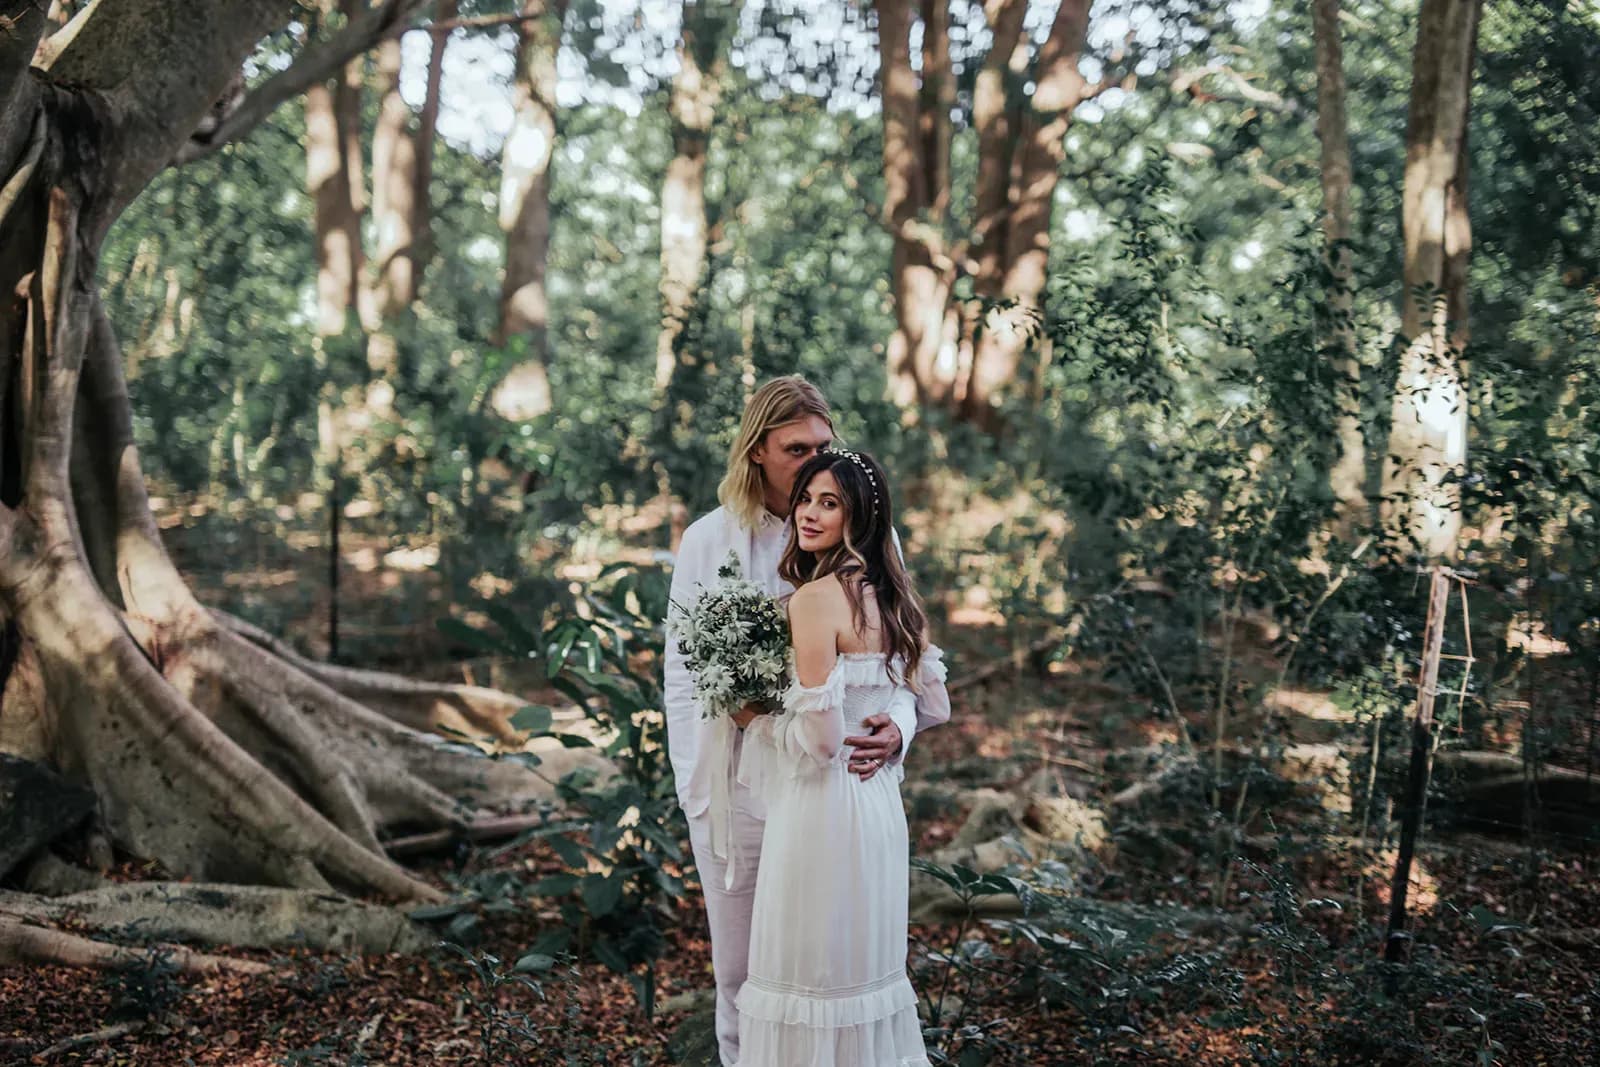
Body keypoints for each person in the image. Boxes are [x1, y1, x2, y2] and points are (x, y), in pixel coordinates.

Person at [663, 376, 947, 1066]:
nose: (814, 461)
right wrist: (700, 795)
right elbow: (681, 678)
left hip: (834, 789)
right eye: (797, 448)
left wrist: (901, 726)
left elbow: (902, 662)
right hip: (736, 788)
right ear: (757, 449)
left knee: (833, 967)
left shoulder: (870, 537)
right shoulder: (709, 541)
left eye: (824, 446)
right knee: (740, 972)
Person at [732, 447, 947, 1066]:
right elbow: (935, 704)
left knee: (809, 978)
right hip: (878, 806)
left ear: (860, 517)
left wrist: (756, 721)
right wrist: (897, 729)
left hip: (821, 811)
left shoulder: (815, 599)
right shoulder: (895, 593)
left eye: (830, 503)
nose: (809, 513)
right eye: (805, 498)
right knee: (864, 976)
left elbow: (823, 743)